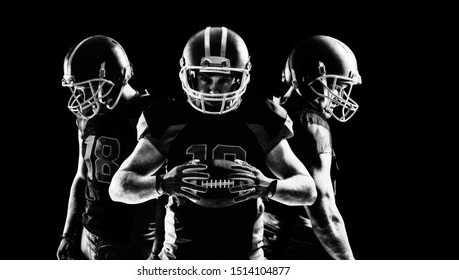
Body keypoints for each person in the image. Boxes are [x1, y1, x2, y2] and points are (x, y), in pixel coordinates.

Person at [109, 26, 316, 260]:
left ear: (241, 77)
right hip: (179, 261)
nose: (214, 89)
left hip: (245, 260)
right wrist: (163, 183)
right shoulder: (167, 118)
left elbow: (308, 190)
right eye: (205, 78)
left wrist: (268, 186)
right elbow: (118, 188)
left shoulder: (261, 118)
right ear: (188, 75)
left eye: (224, 79)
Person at [57, 35, 161, 260]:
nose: (81, 97)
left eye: (89, 87)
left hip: (131, 244)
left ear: (117, 77)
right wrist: (68, 234)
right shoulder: (86, 118)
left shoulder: (152, 114)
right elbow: (81, 177)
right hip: (88, 236)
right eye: (77, 89)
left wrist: (159, 248)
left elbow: (164, 193)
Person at [264, 35, 361, 260]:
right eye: (338, 85)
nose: (341, 97)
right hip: (292, 251)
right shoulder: (312, 124)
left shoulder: (272, 114)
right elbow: (324, 212)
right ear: (316, 78)